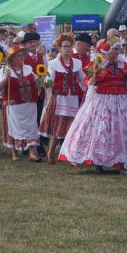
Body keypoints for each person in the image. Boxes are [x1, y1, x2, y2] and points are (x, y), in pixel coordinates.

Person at [59, 41, 127, 170]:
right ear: (107, 51)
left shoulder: (122, 65)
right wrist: (90, 81)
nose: (117, 53)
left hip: (120, 101)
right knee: (101, 129)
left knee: (119, 130)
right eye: (115, 50)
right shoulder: (98, 64)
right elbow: (86, 78)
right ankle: (97, 159)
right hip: (102, 100)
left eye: (118, 50)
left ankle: (120, 160)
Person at [40, 34, 87, 164]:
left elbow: (82, 78)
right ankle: (50, 153)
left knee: (72, 128)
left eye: (69, 46)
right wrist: (46, 82)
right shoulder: (53, 63)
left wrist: (89, 82)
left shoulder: (76, 63)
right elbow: (50, 79)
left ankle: (70, 156)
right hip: (59, 99)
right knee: (58, 128)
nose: (67, 49)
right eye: (64, 46)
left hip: (72, 99)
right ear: (60, 48)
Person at [0, 45, 42, 162]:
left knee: (31, 127)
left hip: (29, 104)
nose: (22, 57)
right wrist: (5, 78)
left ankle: (32, 153)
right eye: (19, 56)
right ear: (12, 58)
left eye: (22, 55)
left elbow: (37, 82)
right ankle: (14, 152)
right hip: (14, 105)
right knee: (14, 128)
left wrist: (44, 81)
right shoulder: (5, 70)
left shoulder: (28, 69)